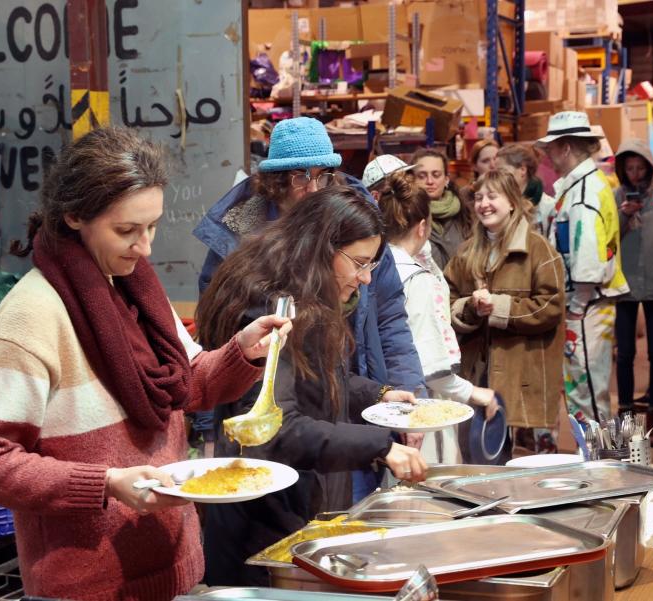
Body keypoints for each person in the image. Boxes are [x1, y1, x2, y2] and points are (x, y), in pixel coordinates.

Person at [0, 128, 291, 601]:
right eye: (127, 230)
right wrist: (108, 483)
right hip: (85, 587)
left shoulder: (136, 290)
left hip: (172, 565)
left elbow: (186, 384)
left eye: (152, 227)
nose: (146, 247)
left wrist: (242, 352)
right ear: (74, 216)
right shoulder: (29, 320)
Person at [196, 186, 428, 586]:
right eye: (359, 263)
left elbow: (319, 377)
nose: (367, 278)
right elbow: (277, 427)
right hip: (263, 522)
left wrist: (377, 394)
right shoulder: (269, 306)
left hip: (299, 503)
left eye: (371, 264)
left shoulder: (305, 294)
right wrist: (381, 446)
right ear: (322, 247)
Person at [193, 117, 424, 395]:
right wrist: (207, 420)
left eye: (323, 175)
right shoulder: (239, 234)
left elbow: (390, 315)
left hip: (358, 387)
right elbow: (215, 333)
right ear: (276, 180)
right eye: (301, 176)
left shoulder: (358, 224)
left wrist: (407, 392)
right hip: (274, 398)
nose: (314, 188)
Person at [376, 170, 499, 464]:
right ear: (422, 227)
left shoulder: (377, 264)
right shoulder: (417, 279)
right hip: (420, 405)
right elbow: (429, 364)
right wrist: (474, 393)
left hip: (382, 399)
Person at [444, 170, 566, 457]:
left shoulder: (538, 250)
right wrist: (470, 309)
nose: (484, 204)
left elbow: (551, 306)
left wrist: (499, 308)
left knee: (529, 461)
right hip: (479, 370)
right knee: (485, 454)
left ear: (512, 201)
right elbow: (446, 300)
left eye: (492, 196)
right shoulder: (466, 253)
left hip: (523, 372)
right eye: (478, 197)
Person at [537, 112, 628, 423]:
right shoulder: (584, 186)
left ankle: (601, 464)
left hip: (588, 304)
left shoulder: (584, 193)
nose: (547, 155)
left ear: (565, 147)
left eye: (550, 148)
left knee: (586, 391)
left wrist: (576, 306)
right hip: (589, 302)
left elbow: (587, 256)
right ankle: (600, 461)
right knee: (587, 389)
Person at [614, 139, 653, 447]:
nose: (635, 175)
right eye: (629, 168)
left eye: (640, 168)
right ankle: (625, 420)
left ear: (650, 169)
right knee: (624, 354)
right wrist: (624, 216)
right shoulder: (615, 197)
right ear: (622, 170)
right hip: (623, 284)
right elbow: (608, 241)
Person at [411, 147, 471, 269]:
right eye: (422, 176)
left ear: (446, 179)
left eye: (436, 175)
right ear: (412, 180)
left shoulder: (465, 214)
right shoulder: (407, 216)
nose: (430, 181)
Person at [495, 143, 557, 232]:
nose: (498, 176)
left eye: (502, 171)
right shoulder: (495, 202)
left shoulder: (548, 207)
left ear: (522, 170)